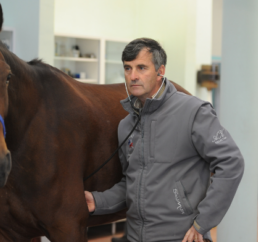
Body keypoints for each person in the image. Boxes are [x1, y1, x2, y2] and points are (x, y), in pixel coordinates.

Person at [85, 38, 244, 242]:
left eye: (141, 68)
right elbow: (132, 183)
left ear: (160, 71)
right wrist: (97, 201)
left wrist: (203, 222)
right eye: (128, 68)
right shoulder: (126, 125)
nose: (133, 76)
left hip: (181, 237)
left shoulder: (194, 112)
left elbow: (232, 163)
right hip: (135, 237)